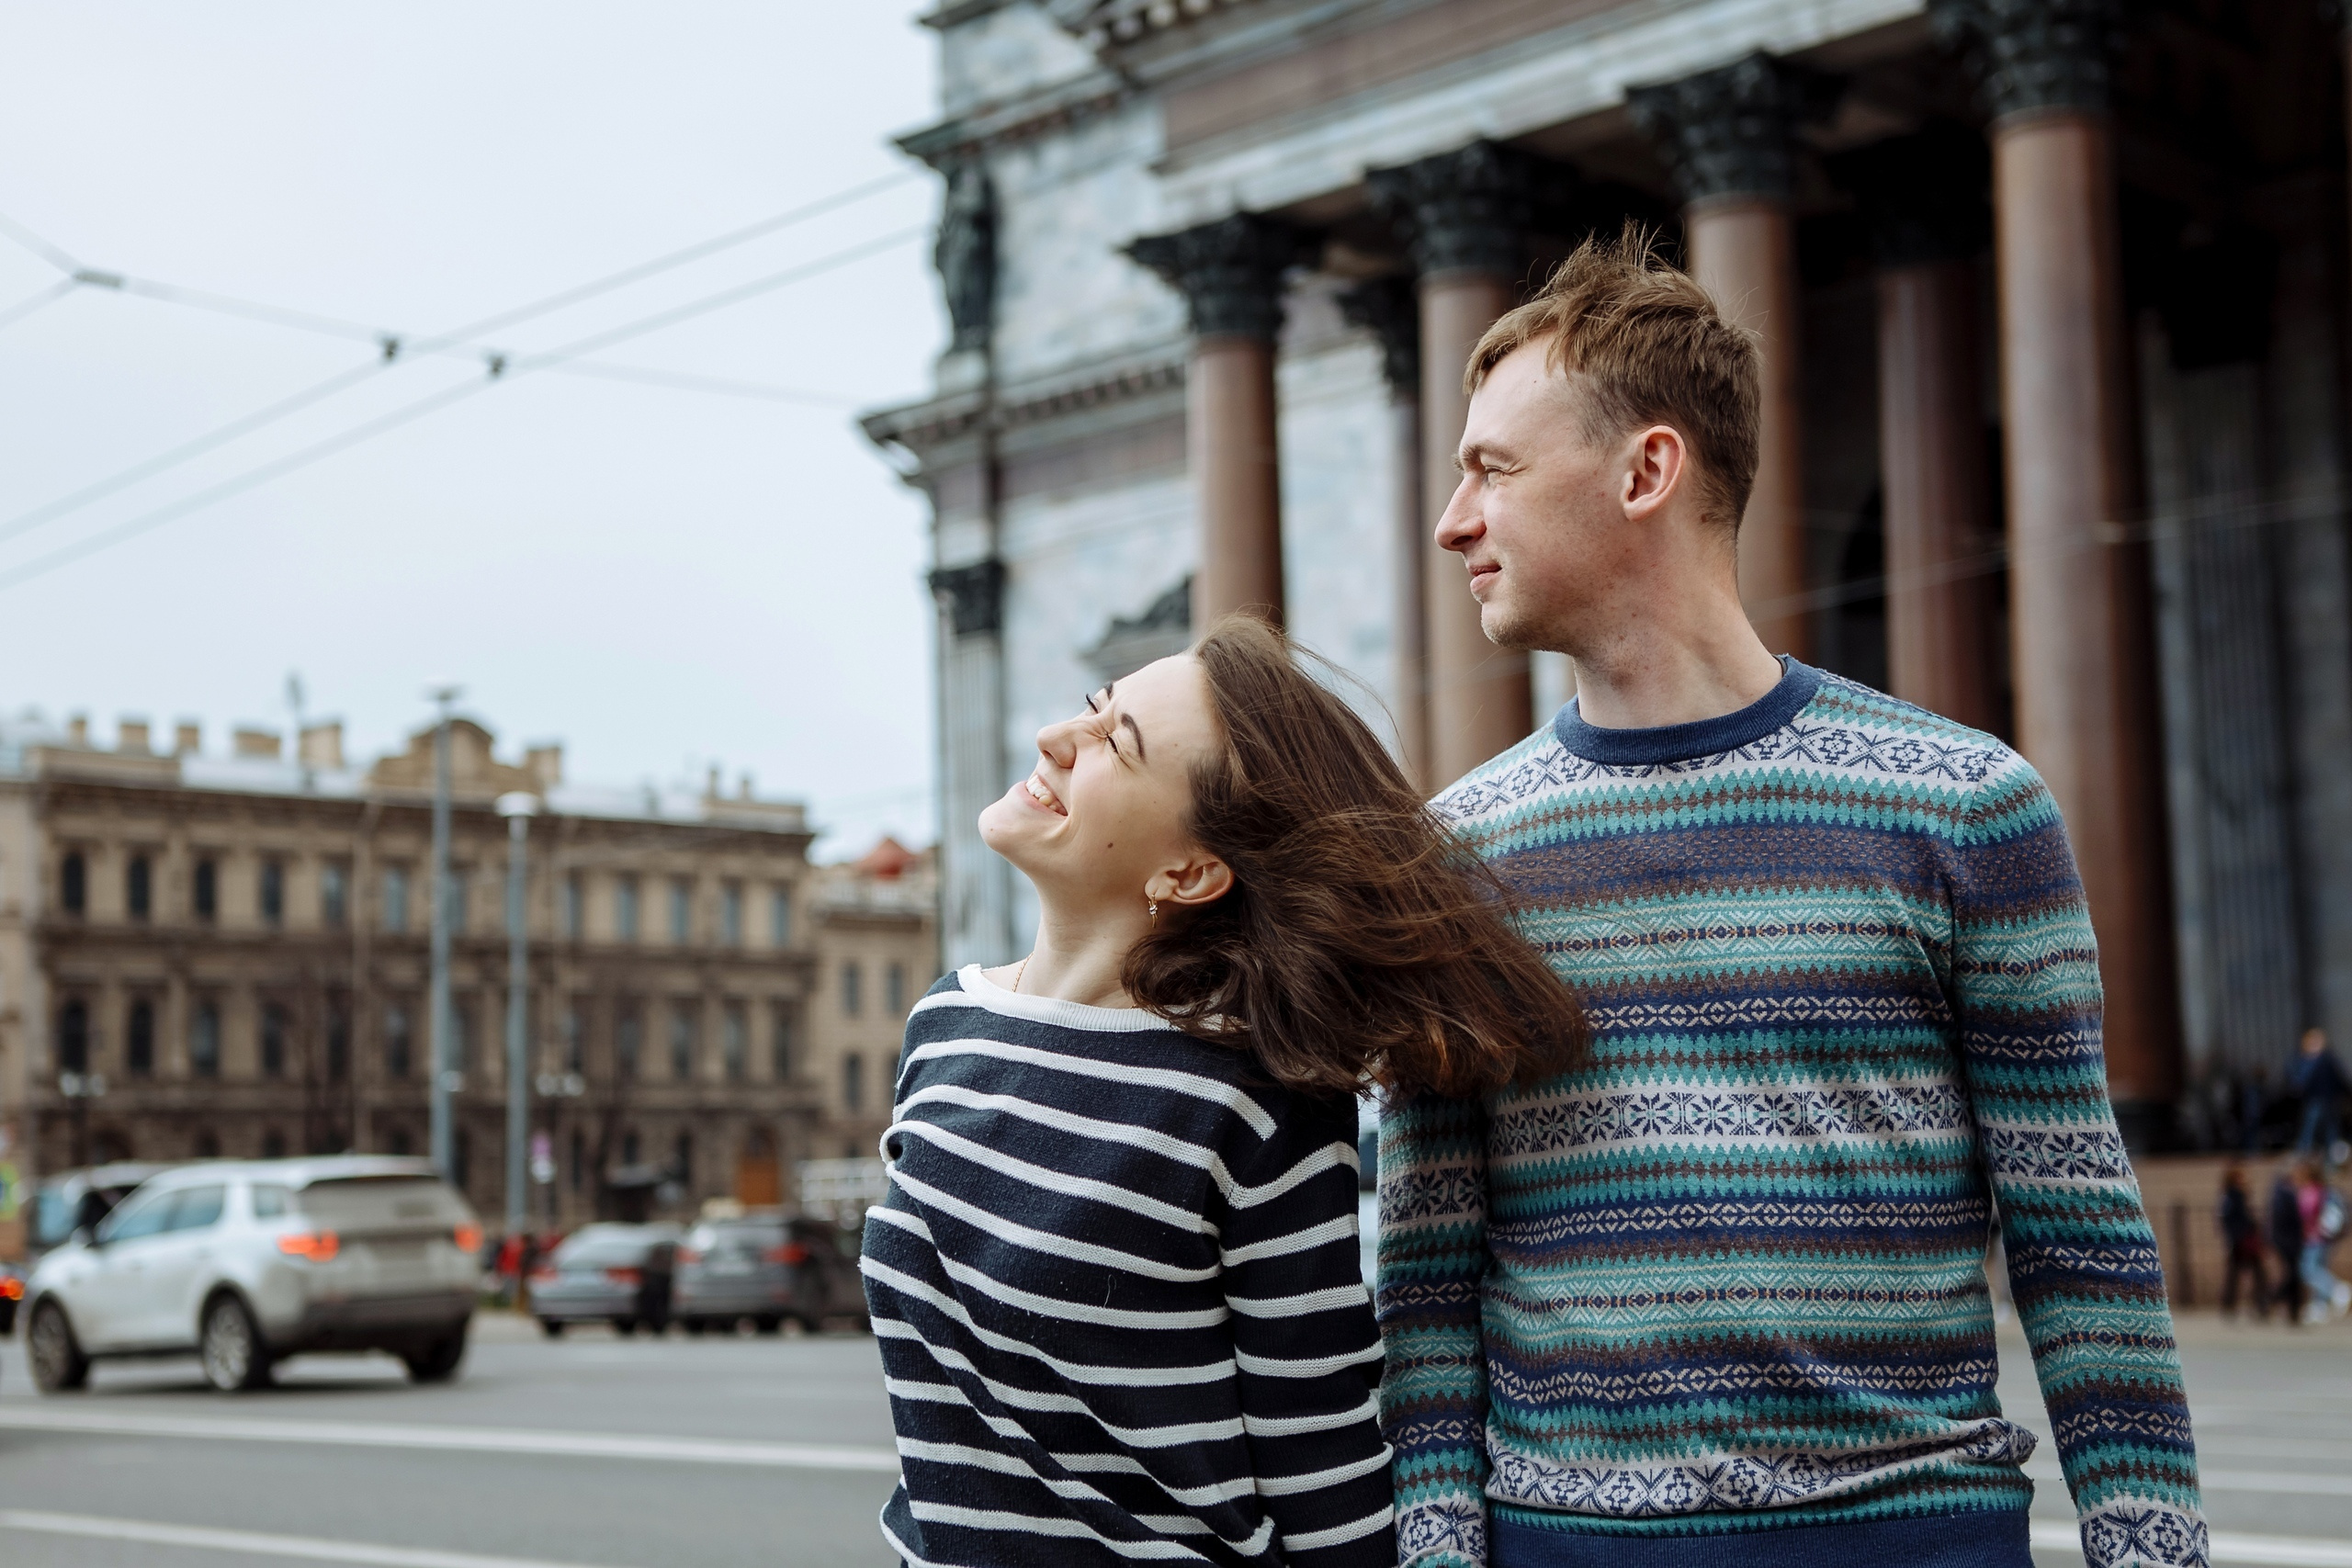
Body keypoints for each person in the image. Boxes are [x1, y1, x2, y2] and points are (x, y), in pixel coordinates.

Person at [1378, 227, 2205, 1568]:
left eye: (1493, 469)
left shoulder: (1966, 803)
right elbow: (1423, 1276)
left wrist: (2151, 1547)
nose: (1451, 519)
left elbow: (2079, 1226)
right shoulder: (1449, 863)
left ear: (1649, 467)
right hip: (1569, 1547)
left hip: (1917, 1539)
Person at [862, 616, 1585, 1567]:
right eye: (1095, 707)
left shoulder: (1249, 1100)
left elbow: (1319, 1454)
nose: (1055, 740)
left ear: (1190, 870)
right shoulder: (943, 1023)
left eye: (1114, 744)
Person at [2292, 1158, 2349, 1323]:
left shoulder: (2311, 1191)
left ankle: (2338, 1290)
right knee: (2319, 1268)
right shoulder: (2322, 1190)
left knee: (2308, 1271)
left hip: (2315, 1238)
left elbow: (2306, 1215)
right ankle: (2319, 1307)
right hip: (2323, 1238)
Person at [2217, 1164, 2267, 1320]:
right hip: (2242, 1241)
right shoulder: (2233, 1196)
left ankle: (2252, 1304)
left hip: (2241, 1241)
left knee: (2239, 1275)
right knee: (2249, 1274)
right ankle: (2259, 1304)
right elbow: (2234, 1220)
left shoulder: (2233, 1195)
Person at [2292, 1027, 2346, 1156]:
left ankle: (2332, 1154)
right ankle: (2304, 1153)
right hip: (2314, 1099)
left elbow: (2338, 1077)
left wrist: (2344, 1093)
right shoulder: (2306, 1060)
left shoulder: (2328, 1059)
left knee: (2330, 1128)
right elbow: (2299, 1080)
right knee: (2310, 1126)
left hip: (2328, 1099)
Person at [2268, 1167, 2310, 1325]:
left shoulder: (2282, 1194)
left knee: (2294, 1275)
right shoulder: (2283, 1195)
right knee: (2293, 1275)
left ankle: (2294, 1310)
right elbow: (2287, 1221)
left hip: (2289, 1240)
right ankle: (2274, 1298)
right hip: (2287, 1241)